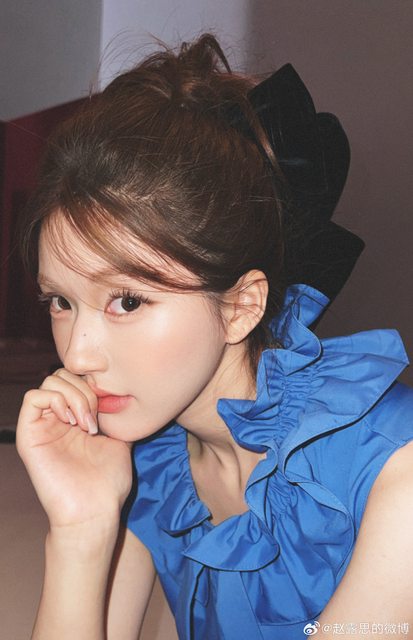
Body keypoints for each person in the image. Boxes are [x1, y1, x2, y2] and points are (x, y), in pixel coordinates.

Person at [16, 34, 413, 640]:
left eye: (127, 301)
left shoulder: (394, 472)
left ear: (241, 306)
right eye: (61, 302)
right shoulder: (153, 468)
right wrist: (78, 530)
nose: (76, 354)